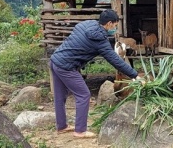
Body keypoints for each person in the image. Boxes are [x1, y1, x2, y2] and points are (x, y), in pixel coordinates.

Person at [49, 9, 143, 138]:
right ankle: (80, 131)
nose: (115, 29)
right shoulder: (99, 40)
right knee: (84, 95)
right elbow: (115, 60)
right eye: (115, 26)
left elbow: (78, 34)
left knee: (60, 96)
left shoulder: (87, 24)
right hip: (66, 67)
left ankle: (62, 126)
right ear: (109, 23)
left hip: (55, 60)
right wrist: (135, 75)